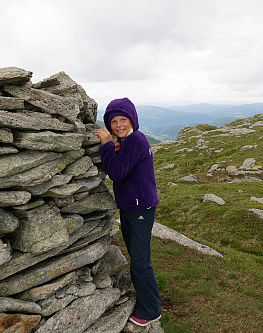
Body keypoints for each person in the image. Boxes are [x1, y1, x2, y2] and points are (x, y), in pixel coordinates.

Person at [94, 97, 162, 327]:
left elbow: (118, 172)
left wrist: (105, 145)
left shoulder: (135, 140)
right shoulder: (128, 141)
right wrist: (114, 147)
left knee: (141, 262)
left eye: (123, 119)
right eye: (113, 121)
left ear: (132, 119)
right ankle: (146, 302)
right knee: (138, 259)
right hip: (133, 206)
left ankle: (151, 310)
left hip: (140, 207)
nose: (118, 125)